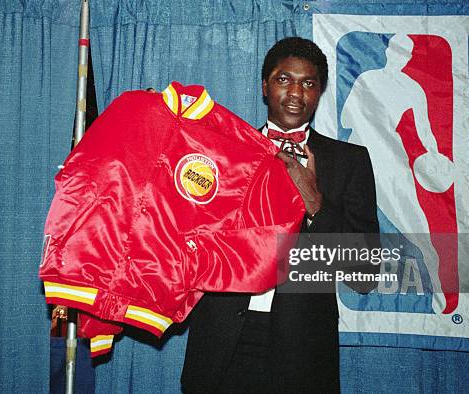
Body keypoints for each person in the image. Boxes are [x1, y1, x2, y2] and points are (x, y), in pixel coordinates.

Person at [181, 37, 379, 393]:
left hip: (302, 354)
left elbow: (364, 275)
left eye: (308, 83)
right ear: (264, 86)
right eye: (283, 79)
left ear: (319, 92)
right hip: (222, 345)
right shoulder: (224, 153)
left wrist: (316, 203)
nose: (295, 93)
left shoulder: (349, 162)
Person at [341, 34, 453, 313]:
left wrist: (435, 159)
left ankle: (442, 292)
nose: (398, 57)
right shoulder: (367, 79)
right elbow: (345, 120)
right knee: (337, 230)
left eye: (404, 53)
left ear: (407, 58)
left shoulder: (412, 89)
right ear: (389, 52)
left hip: (389, 166)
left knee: (419, 230)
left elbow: (426, 135)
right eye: (396, 50)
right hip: (355, 166)